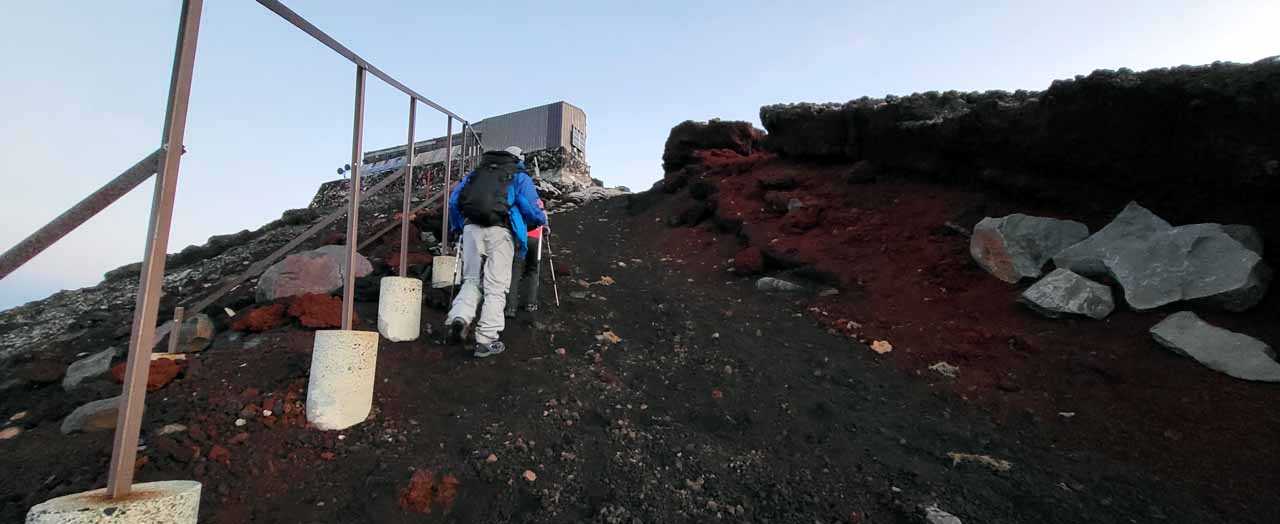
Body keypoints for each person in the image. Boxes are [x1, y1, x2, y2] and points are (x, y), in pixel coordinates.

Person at [445, 146, 546, 358]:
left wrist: (458, 226)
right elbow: (531, 207)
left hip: (471, 229)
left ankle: (459, 318)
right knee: (496, 287)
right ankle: (486, 340)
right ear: (518, 159)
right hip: (501, 231)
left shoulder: (477, 173)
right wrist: (539, 220)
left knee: (471, 280)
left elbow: (454, 201)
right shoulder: (518, 175)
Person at [505, 200, 545, 318]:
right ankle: (530, 303)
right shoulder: (538, 202)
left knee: (515, 271)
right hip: (535, 237)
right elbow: (544, 221)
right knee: (533, 270)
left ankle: (511, 307)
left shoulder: (517, 200)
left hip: (520, 237)